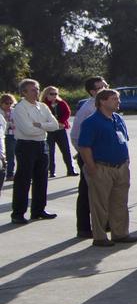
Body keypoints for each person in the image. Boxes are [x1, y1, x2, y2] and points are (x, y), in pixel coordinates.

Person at [75, 87, 137, 247]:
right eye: (114, 99)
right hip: (101, 167)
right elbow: (84, 146)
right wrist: (91, 167)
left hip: (121, 167)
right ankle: (100, 236)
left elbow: (124, 140)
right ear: (102, 101)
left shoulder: (118, 119)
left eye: (118, 99)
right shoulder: (91, 122)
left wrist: (127, 161)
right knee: (100, 204)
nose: (118, 102)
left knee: (120, 203)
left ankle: (120, 233)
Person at [10, 78, 61, 224]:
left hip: (42, 144)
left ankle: (38, 210)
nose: (36, 92)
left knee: (41, 179)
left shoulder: (43, 106)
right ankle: (18, 213)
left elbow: (55, 125)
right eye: (33, 90)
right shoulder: (20, 108)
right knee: (23, 180)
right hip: (26, 146)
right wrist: (44, 127)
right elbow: (27, 130)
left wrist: (39, 125)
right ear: (24, 92)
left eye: (37, 89)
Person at [69, 75, 108, 238]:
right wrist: (86, 155)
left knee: (105, 192)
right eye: (101, 87)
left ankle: (106, 223)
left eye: (106, 85)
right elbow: (75, 136)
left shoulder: (106, 106)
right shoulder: (87, 109)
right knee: (87, 192)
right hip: (90, 156)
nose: (105, 89)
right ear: (92, 92)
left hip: (106, 158)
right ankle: (84, 227)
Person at [41, 86, 76, 177]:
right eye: (51, 94)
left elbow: (67, 113)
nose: (54, 96)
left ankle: (71, 169)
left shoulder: (61, 103)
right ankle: (51, 171)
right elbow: (42, 117)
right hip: (49, 131)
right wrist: (52, 124)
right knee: (50, 151)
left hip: (60, 129)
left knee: (66, 150)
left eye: (56, 94)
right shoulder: (43, 104)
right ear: (46, 94)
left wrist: (61, 122)